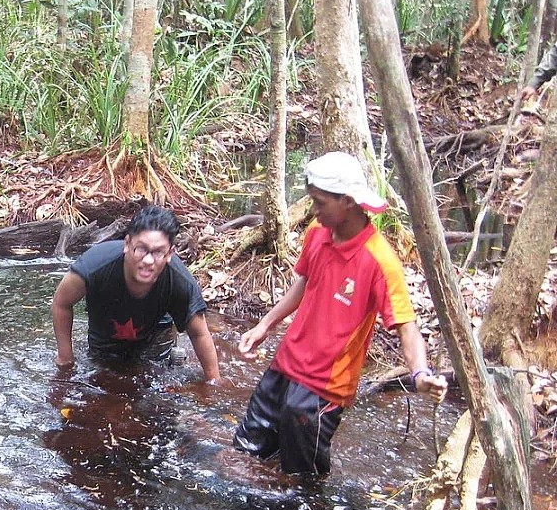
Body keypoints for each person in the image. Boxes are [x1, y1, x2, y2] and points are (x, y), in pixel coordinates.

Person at [233, 151, 447, 475]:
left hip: (324, 389)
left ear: (347, 201)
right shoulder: (317, 235)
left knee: (301, 481)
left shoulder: (380, 260)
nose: (314, 210)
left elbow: (406, 325)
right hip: (286, 364)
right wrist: (265, 325)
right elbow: (303, 283)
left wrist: (419, 374)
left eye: (320, 203)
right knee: (244, 454)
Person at [51, 205, 220, 380]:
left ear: (170, 253)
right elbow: (61, 303)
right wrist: (65, 358)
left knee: (154, 381)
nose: (147, 260)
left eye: (157, 252)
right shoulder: (94, 267)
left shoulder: (179, 281)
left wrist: (213, 385)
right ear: (127, 244)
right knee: (101, 381)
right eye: (141, 249)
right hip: (104, 339)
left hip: (155, 335)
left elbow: (199, 333)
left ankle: (173, 358)